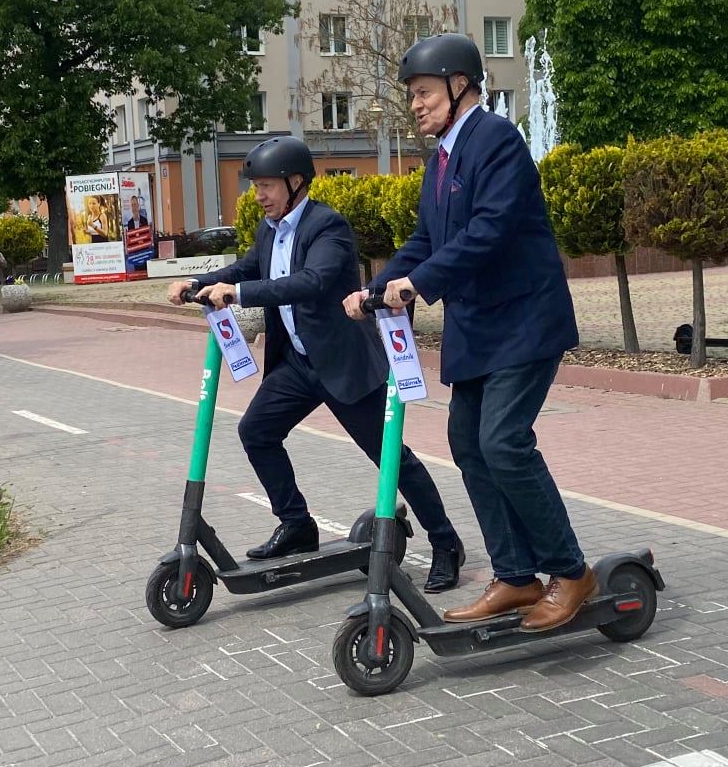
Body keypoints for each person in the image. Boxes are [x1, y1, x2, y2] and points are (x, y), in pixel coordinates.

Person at [343, 33, 594, 632]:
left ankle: (571, 570)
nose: (416, 105)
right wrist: (379, 285)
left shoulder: (497, 141)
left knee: (504, 442)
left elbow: (489, 231)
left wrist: (418, 284)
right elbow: (427, 241)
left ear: (461, 87)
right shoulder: (441, 162)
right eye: (412, 95)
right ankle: (514, 576)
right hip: (479, 330)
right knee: (468, 443)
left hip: (525, 321)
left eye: (425, 92)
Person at [173, 137, 464, 591]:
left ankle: (446, 544)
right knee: (257, 431)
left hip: (343, 364)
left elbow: (312, 281)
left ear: (295, 182)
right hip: (298, 363)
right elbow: (250, 266)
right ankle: (297, 525)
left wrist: (240, 294)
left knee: (390, 458)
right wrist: (199, 280)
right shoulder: (269, 228)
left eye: (267, 185)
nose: (259, 195)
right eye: (256, 187)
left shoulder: (327, 226)